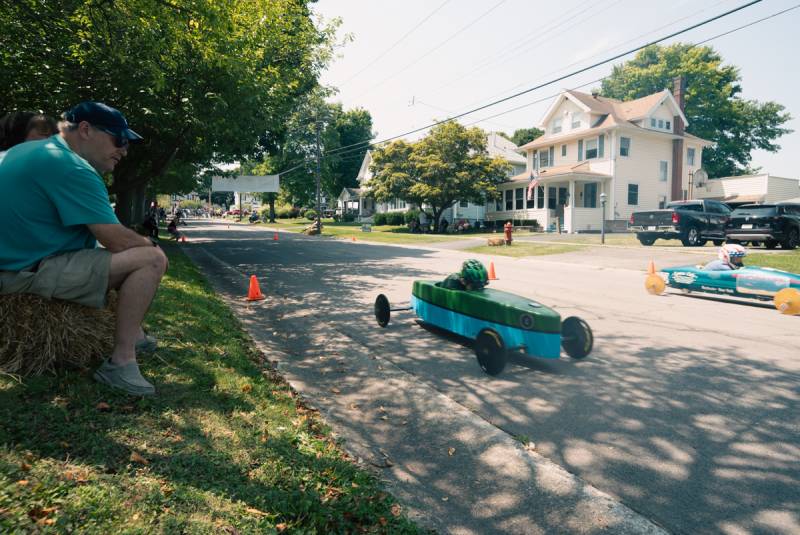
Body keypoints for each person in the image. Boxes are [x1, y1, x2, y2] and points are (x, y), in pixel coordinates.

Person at [0, 101, 167, 396]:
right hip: (22, 273)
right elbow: (118, 241)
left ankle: (136, 334)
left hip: (16, 259)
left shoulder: (26, 150)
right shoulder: (71, 167)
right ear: (86, 130)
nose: (124, 150)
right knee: (150, 260)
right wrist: (150, 244)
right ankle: (121, 363)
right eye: (120, 139)